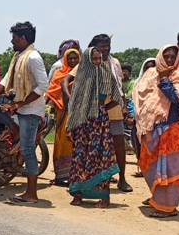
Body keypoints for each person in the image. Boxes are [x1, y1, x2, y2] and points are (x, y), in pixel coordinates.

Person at [0, 22, 48, 204]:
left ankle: (31, 194)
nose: (11, 41)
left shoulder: (33, 58)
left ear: (23, 38)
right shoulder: (18, 56)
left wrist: (19, 104)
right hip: (20, 107)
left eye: (14, 37)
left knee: (28, 149)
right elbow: (7, 78)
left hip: (30, 110)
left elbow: (43, 85)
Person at [63, 34, 132, 192]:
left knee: (118, 146)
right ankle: (87, 183)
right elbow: (64, 81)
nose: (106, 49)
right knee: (89, 149)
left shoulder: (114, 63)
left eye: (108, 45)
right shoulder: (86, 63)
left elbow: (118, 89)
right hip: (91, 115)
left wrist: (117, 106)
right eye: (102, 46)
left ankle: (122, 179)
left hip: (112, 112)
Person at [65, 48, 122, 208]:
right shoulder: (81, 77)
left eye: (99, 59)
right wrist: (70, 127)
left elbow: (118, 97)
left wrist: (103, 108)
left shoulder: (106, 74)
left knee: (100, 158)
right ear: (87, 60)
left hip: (100, 123)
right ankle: (78, 194)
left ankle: (104, 198)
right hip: (82, 123)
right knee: (80, 157)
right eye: (94, 59)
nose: (97, 62)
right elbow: (74, 103)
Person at [134, 45, 179, 218]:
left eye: (173, 56)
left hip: (173, 131)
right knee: (151, 166)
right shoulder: (150, 74)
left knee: (171, 171)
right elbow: (140, 95)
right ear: (160, 57)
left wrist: (164, 80)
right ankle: (157, 198)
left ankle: (167, 207)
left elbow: (176, 99)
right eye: (166, 56)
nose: (170, 60)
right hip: (153, 129)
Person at [49, 48, 80, 185]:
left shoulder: (83, 74)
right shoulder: (58, 74)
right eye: (70, 59)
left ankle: (75, 175)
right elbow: (51, 92)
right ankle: (61, 176)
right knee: (62, 142)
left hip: (79, 113)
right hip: (62, 113)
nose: (73, 61)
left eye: (75, 58)